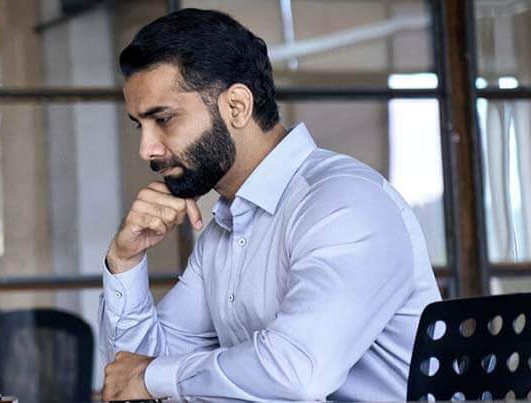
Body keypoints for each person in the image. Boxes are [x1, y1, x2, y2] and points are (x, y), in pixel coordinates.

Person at [99, 8, 441, 402]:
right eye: (139, 125)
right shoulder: (223, 233)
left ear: (237, 107)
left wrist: (152, 377)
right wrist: (125, 260)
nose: (147, 149)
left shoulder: (344, 204)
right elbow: (135, 372)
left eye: (164, 119)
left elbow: (297, 373)